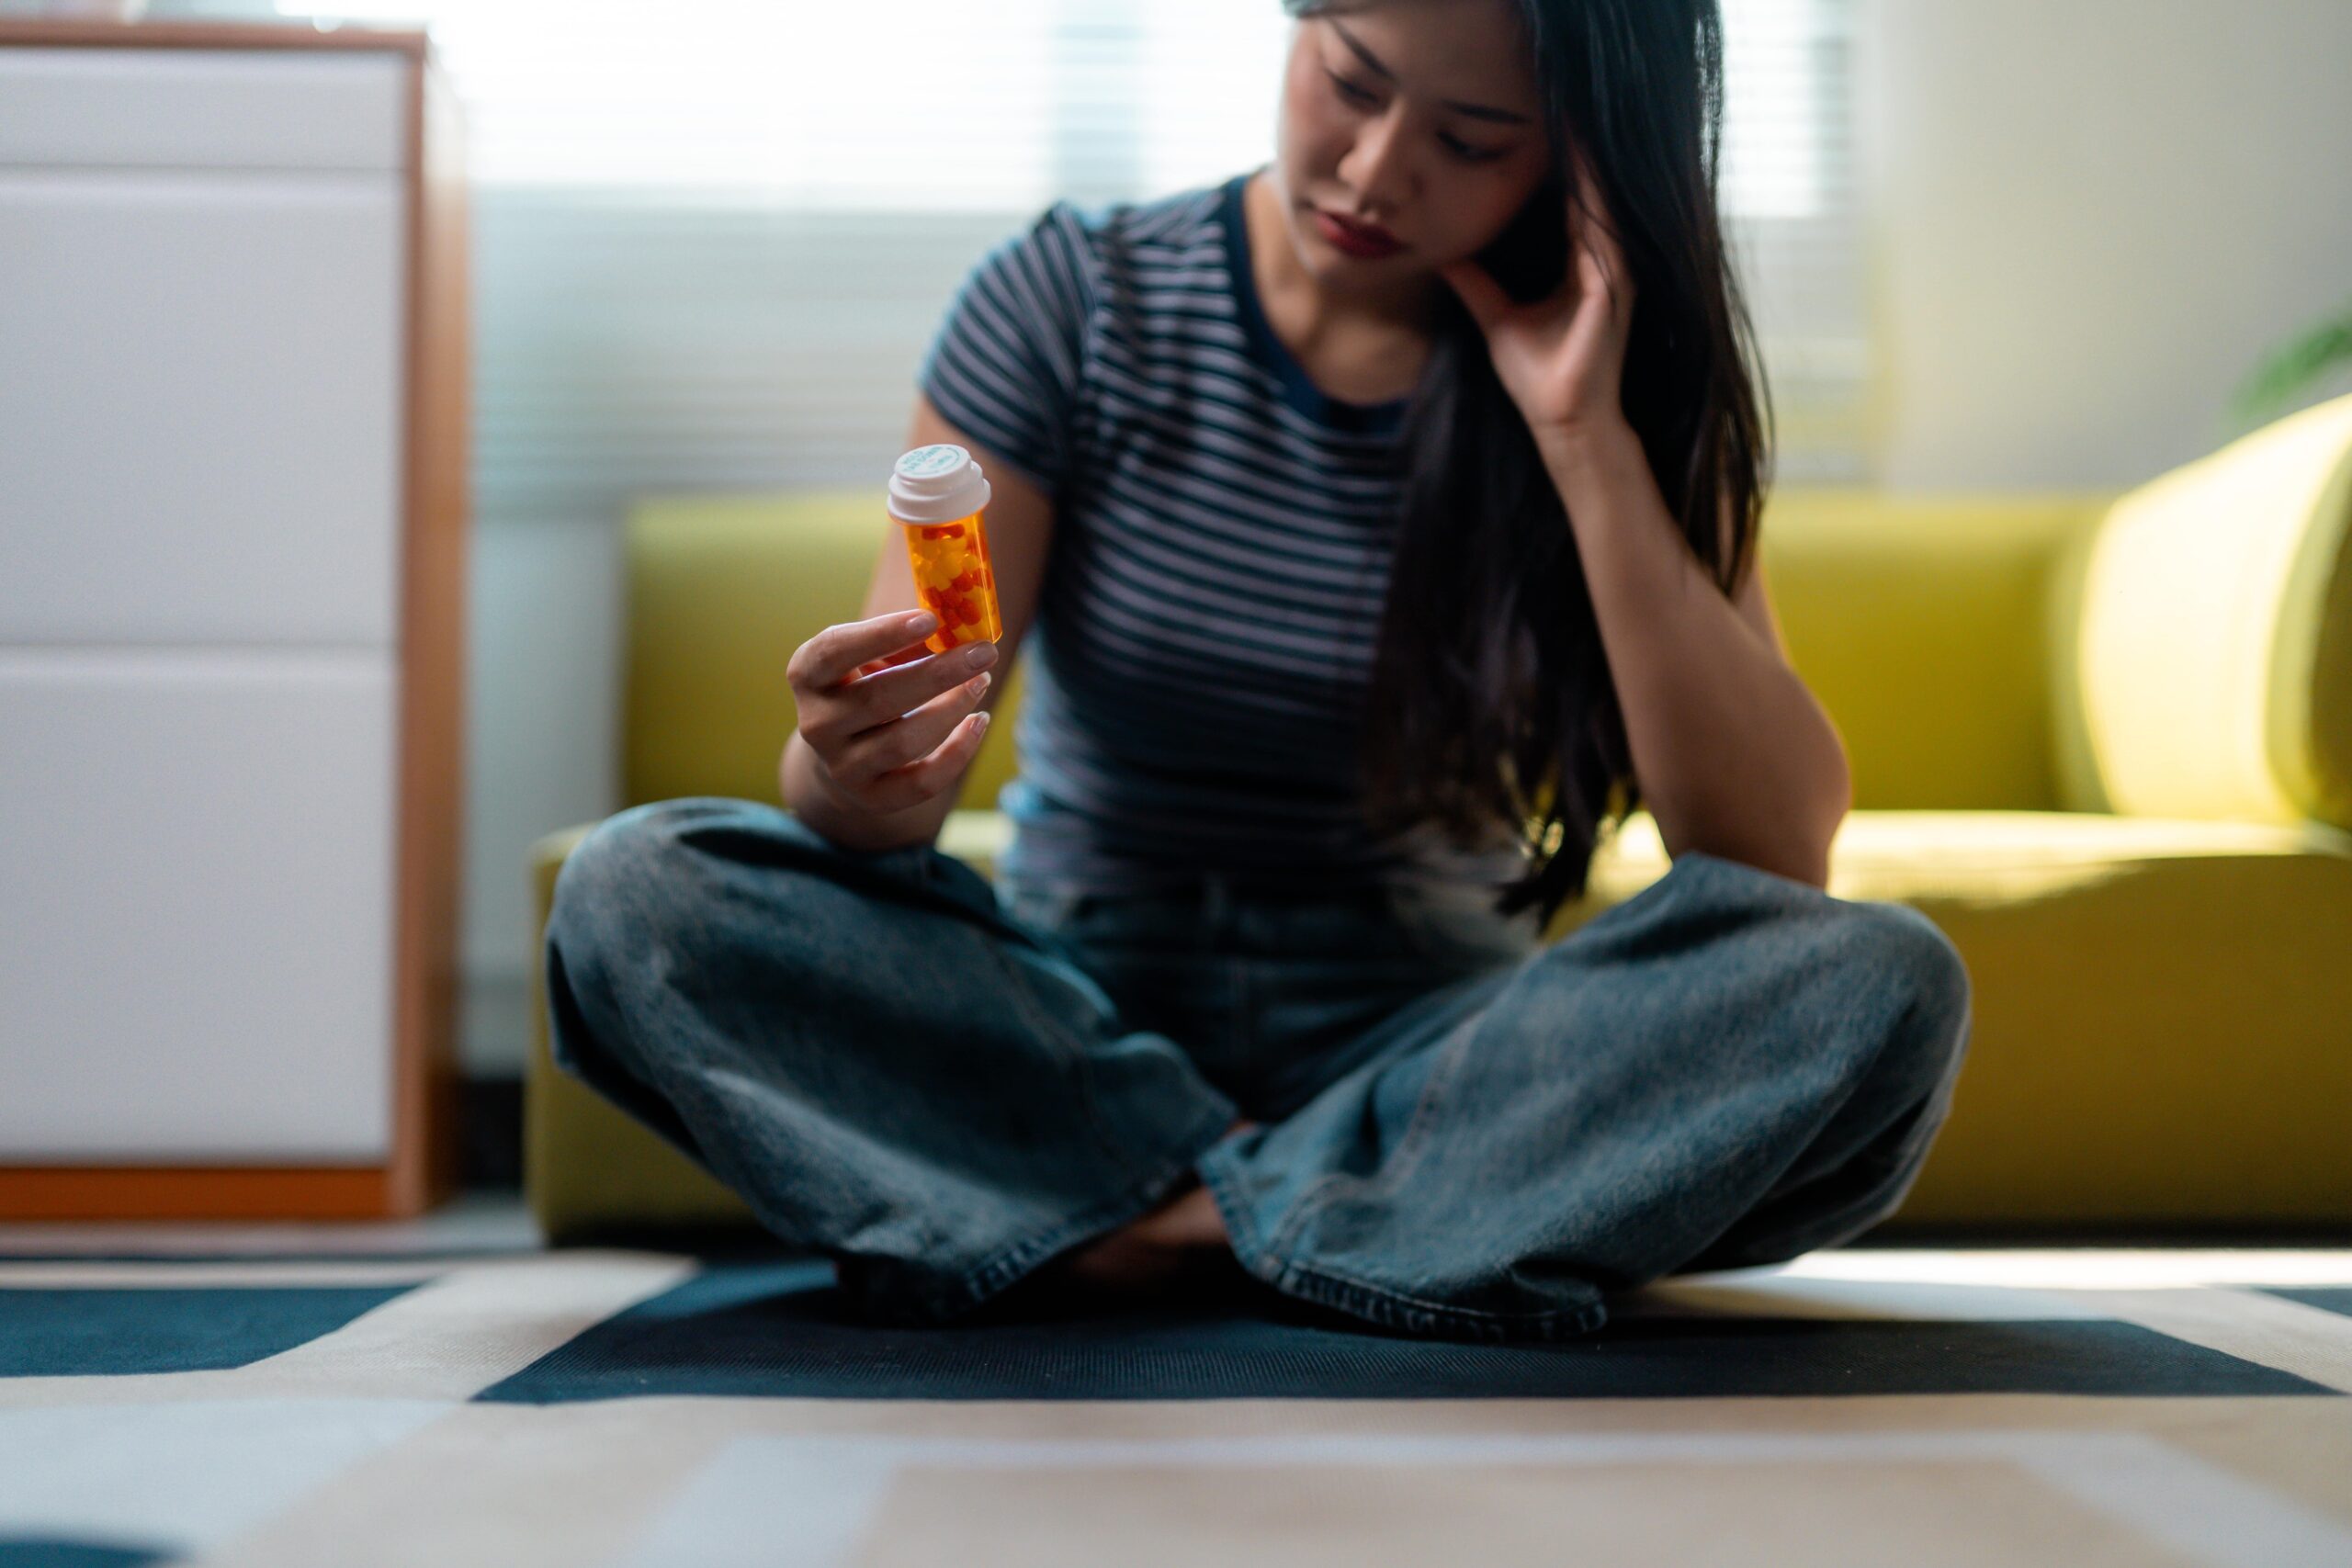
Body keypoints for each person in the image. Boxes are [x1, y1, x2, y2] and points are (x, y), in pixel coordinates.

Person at [543, 0, 1973, 1344]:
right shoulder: (1073, 301)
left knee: (1883, 986)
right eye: (1351, 79)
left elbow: (1773, 859)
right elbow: (888, 806)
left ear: (1583, 161)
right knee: (635, 894)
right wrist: (846, 771)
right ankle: (1338, 1234)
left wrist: (1585, 440)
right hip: (1074, 1022)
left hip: (1434, 1061)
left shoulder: (1632, 380)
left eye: (1470, 140)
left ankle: (1143, 1230)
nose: (1371, 169)